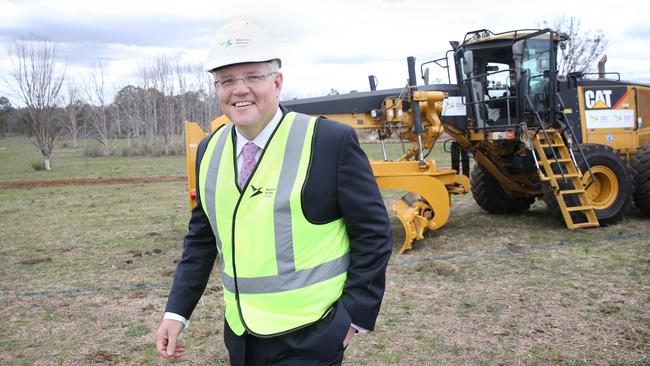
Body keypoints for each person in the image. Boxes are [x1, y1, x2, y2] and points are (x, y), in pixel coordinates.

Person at [154, 20, 392, 366]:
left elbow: (373, 233)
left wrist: (353, 316)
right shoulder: (209, 150)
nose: (239, 90)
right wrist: (176, 313)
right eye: (227, 80)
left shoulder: (328, 142)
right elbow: (201, 239)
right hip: (240, 335)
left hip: (313, 334)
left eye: (252, 76)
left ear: (277, 82)